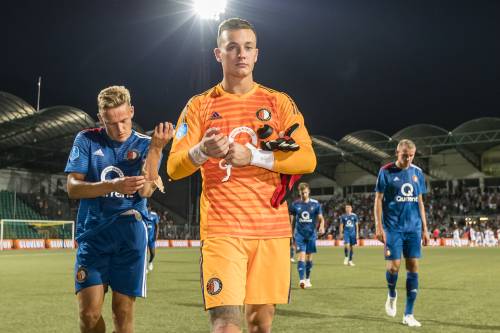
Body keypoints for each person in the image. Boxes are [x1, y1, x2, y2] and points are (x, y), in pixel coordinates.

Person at [166, 18, 316, 333]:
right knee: (225, 324)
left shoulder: (279, 102)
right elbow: (174, 168)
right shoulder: (199, 106)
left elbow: (307, 159)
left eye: (247, 47)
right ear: (218, 54)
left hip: (270, 230)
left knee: (260, 324)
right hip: (222, 230)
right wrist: (202, 151)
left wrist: (254, 156)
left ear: (257, 54)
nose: (241, 54)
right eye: (232, 47)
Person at [65, 86, 174, 333]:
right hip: (94, 235)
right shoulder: (86, 140)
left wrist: (157, 149)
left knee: (122, 314)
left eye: (124, 120)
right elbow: (72, 188)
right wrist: (112, 185)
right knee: (89, 315)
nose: (120, 128)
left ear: (132, 111)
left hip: (130, 236)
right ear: (101, 118)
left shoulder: (147, 144)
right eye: (111, 122)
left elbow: (146, 191)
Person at [374, 139, 430, 327]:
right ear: (397, 152)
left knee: (413, 267)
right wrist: (378, 226)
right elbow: (378, 199)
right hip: (393, 227)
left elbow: (420, 202)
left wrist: (425, 229)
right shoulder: (386, 171)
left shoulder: (418, 173)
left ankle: (409, 314)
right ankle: (391, 294)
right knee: (393, 268)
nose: (408, 158)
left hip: (413, 228)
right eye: (405, 155)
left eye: (411, 155)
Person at [289, 183, 325, 288]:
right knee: (301, 256)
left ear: (308, 191)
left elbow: (321, 218)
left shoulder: (316, 204)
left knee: (309, 258)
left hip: (311, 234)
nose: (303, 195)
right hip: (299, 234)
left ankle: (308, 278)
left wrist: (322, 226)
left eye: (305, 192)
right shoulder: (295, 204)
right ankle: (301, 280)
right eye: (301, 193)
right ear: (299, 193)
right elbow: (292, 220)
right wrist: (290, 232)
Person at [144, 206, 160, 272]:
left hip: (151, 237)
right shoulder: (142, 213)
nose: (147, 209)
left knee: (153, 253)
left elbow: (157, 226)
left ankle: (150, 262)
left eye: (148, 207)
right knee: (145, 254)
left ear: (150, 208)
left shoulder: (154, 214)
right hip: (144, 237)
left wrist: (156, 235)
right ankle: (145, 268)